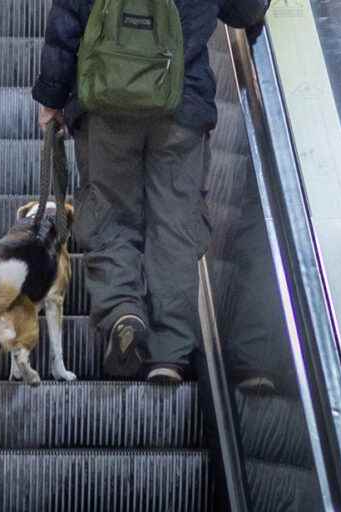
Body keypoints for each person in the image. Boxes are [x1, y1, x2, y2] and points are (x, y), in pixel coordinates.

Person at [33, 0, 270, 383]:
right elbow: (246, 12)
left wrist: (51, 95)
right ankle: (169, 354)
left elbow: (66, 20)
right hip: (181, 105)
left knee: (108, 215)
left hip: (106, 101)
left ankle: (123, 309)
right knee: (175, 225)